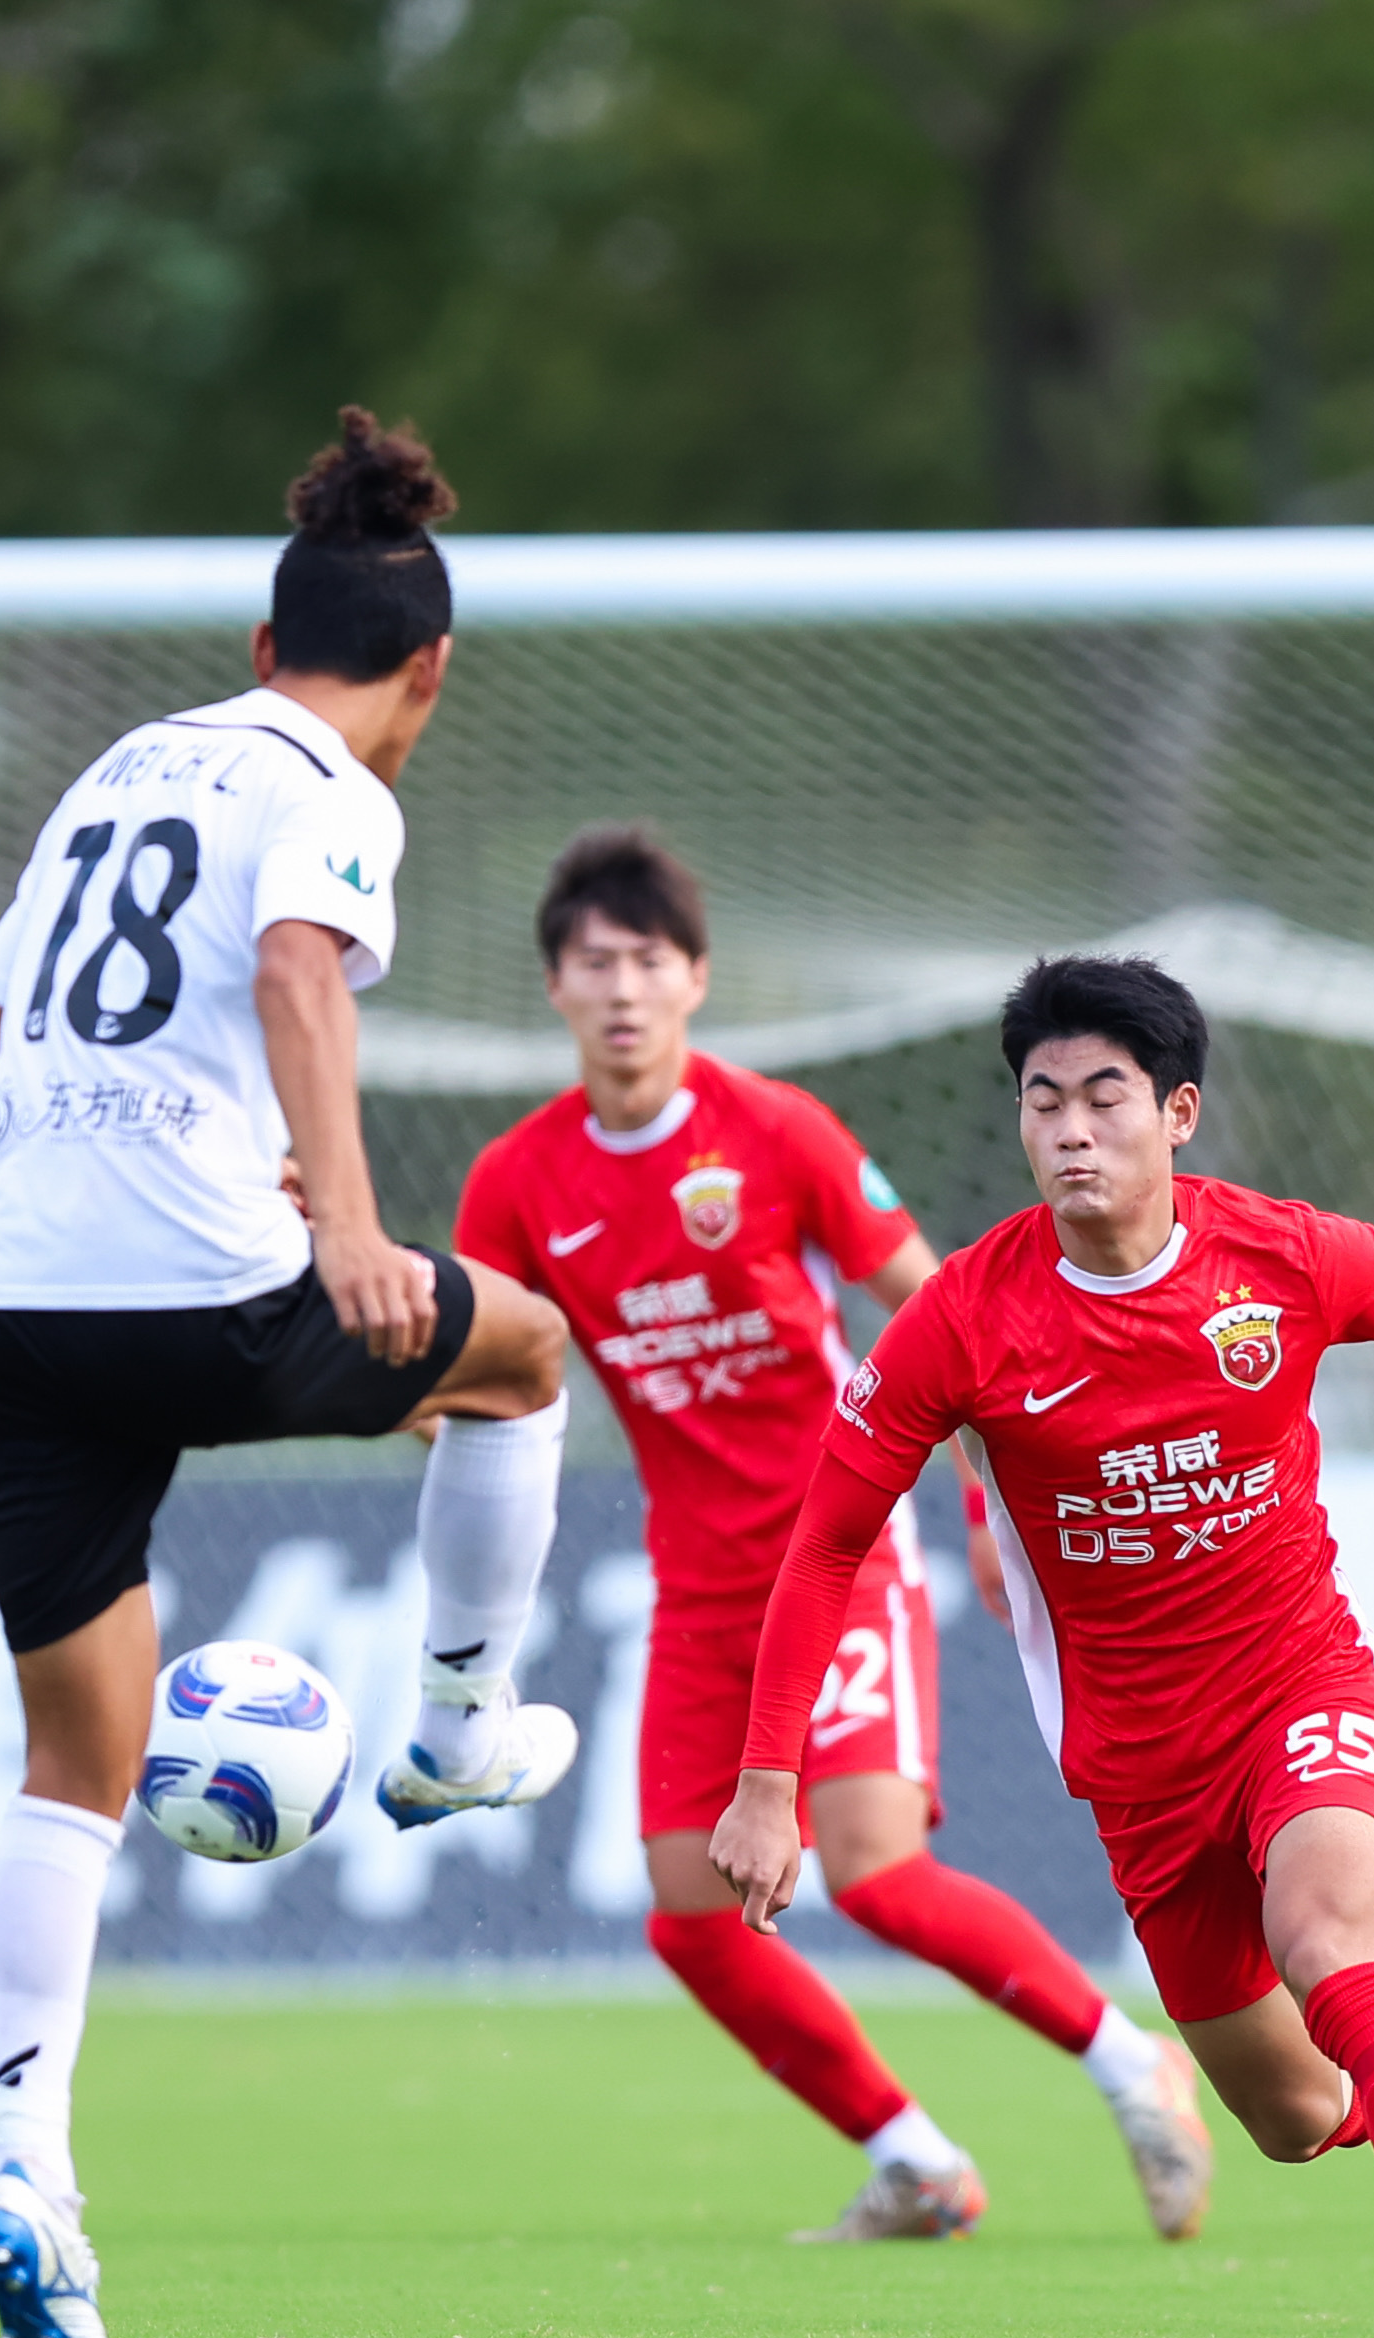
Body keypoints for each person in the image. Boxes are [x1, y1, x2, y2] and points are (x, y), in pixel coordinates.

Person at [711, 955, 1374, 2338]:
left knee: (1331, 1947)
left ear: (1176, 1115)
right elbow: (824, 1548)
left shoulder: (1284, 1257)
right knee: (1296, 2117)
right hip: (1140, 1771)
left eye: (1103, 1098)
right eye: (1041, 1102)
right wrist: (765, 1782)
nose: (1069, 1130)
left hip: (1301, 1687)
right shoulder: (964, 1320)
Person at [0, 409, 583, 2338]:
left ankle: (27, 2166)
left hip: (4, 1313)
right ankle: (460, 1733)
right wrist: (355, 1231)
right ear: (429, 671)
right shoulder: (336, 785)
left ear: (257, 622)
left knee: (75, 1765)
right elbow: (301, 974)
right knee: (526, 1346)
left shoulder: (117, 769)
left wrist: (216, 1167)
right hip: (195, 1301)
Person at [451, 828, 1216, 2244]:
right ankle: (915, 2160)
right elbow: (469, 1391)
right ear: (553, 987)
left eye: (648, 961)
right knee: (690, 1919)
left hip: (844, 1551)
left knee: (872, 1868)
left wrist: (996, 1508)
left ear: (696, 980)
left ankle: (1132, 2061)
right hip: (693, 1585)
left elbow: (949, 1321)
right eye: (591, 963)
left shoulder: (778, 1134)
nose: (621, 989)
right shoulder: (517, 1184)